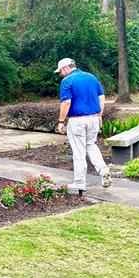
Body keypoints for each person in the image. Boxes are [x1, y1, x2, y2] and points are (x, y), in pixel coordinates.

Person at [55, 57, 112, 196]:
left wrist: (61, 121)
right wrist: (100, 115)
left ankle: (80, 183)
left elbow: (66, 102)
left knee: (79, 151)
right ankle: (104, 171)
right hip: (93, 118)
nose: (61, 74)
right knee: (91, 145)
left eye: (60, 71)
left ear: (66, 68)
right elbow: (102, 96)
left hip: (77, 120)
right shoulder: (91, 77)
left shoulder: (67, 81)